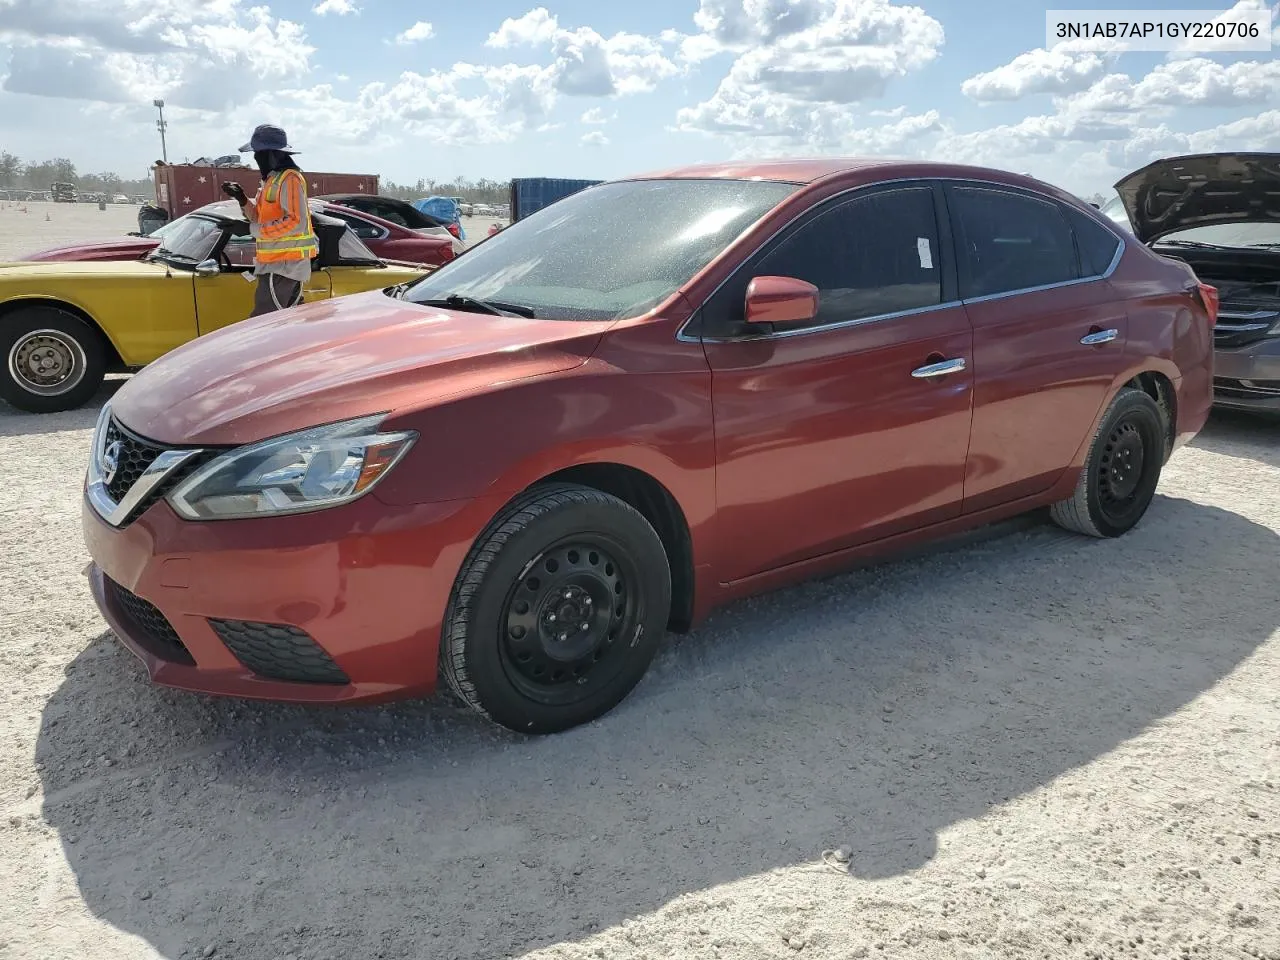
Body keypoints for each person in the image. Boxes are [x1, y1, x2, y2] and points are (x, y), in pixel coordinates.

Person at [220, 124, 318, 317]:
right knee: (287, 324)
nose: (256, 158)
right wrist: (241, 199)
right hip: (276, 266)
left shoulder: (290, 179)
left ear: (271, 154)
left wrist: (251, 230)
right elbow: (259, 218)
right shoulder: (272, 180)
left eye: (258, 153)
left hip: (283, 266)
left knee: (263, 324)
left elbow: (295, 221)